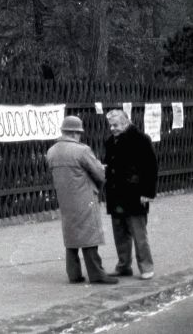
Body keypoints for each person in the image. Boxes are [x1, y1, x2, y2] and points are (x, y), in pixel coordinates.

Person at [46, 115, 118, 284]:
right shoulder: (82, 150)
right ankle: (97, 274)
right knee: (89, 235)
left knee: (71, 235)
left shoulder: (52, 151)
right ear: (75, 133)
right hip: (84, 196)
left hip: (65, 199)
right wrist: (101, 168)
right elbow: (99, 174)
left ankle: (74, 274)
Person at [104, 109, 158, 280]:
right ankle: (123, 266)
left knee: (138, 233)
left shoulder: (141, 140)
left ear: (126, 122)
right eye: (111, 126)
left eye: (116, 125)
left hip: (135, 194)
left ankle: (146, 267)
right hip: (116, 194)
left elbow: (151, 167)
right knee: (120, 233)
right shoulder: (111, 141)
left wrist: (147, 193)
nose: (113, 128)